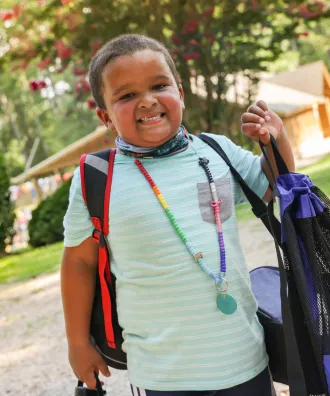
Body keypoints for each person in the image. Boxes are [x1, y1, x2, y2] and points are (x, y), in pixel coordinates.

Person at [61, 34, 295, 396]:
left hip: (244, 359)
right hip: (161, 376)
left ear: (180, 93)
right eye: (127, 95)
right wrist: (78, 343)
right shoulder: (97, 177)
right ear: (105, 116)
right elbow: (79, 263)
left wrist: (276, 142)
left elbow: (272, 184)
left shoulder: (216, 151)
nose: (148, 100)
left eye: (159, 85)